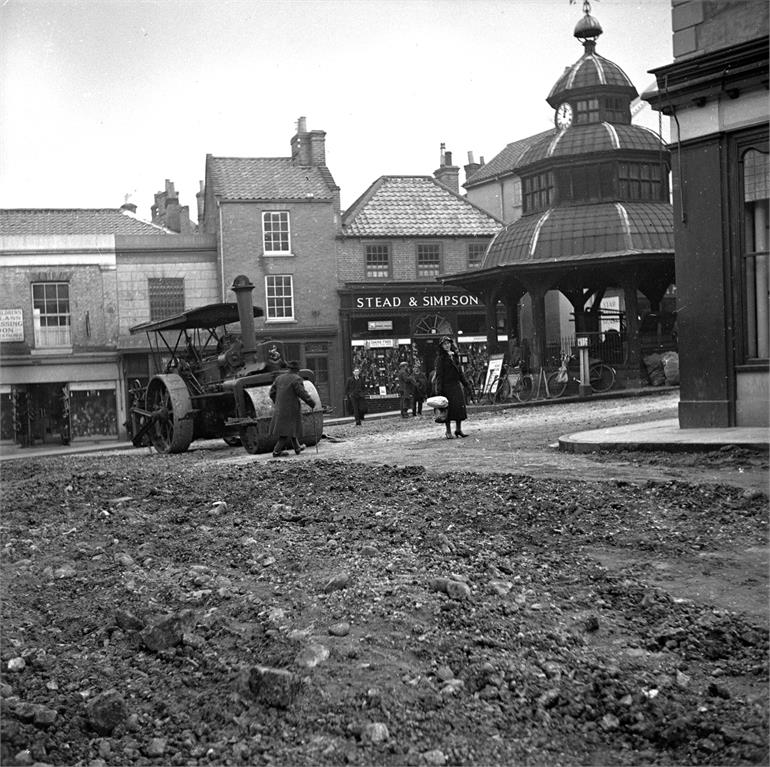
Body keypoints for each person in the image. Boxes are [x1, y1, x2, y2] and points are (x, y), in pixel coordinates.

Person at [268, 360, 316, 457]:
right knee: (285, 431)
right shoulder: (296, 379)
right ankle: (276, 451)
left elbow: (271, 393)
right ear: (297, 370)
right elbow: (302, 393)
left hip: (280, 408)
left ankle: (297, 448)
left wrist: (278, 402)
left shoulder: (279, 378)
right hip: (291, 408)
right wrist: (311, 403)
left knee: (291, 428)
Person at [434, 336, 471, 439]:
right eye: (444, 344)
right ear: (441, 346)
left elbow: (460, 372)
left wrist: (466, 384)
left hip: (456, 385)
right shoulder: (440, 359)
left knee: (459, 408)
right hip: (446, 387)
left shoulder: (455, 356)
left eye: (448, 343)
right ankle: (448, 431)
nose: (447, 345)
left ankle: (458, 429)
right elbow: (439, 375)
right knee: (447, 410)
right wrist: (439, 390)